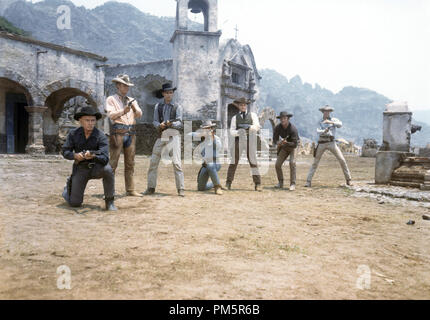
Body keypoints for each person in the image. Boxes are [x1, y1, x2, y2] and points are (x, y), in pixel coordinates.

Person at [62, 106, 117, 211]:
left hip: (96, 168)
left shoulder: (101, 136)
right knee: (74, 203)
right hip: (81, 168)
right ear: (80, 121)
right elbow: (65, 151)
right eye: (87, 120)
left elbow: (105, 158)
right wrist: (75, 156)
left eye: (93, 120)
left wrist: (94, 156)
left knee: (108, 170)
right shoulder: (73, 134)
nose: (90, 123)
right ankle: (69, 185)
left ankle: (110, 201)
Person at [143, 83, 185, 197]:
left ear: (173, 94)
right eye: (166, 92)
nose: (169, 95)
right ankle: (151, 187)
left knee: (177, 163)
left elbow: (180, 122)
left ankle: (181, 188)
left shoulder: (177, 107)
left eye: (171, 92)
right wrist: (159, 125)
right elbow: (155, 121)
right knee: (153, 162)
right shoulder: (158, 106)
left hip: (173, 136)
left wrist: (170, 123)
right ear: (163, 93)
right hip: (161, 136)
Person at [105, 74, 143, 197]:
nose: (126, 88)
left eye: (127, 85)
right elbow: (111, 115)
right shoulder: (111, 99)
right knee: (113, 162)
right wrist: (123, 111)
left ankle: (130, 190)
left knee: (130, 163)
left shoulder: (132, 100)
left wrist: (134, 109)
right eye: (124, 85)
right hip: (118, 132)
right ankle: (109, 190)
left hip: (131, 133)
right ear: (118, 85)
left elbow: (139, 114)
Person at [305, 105, 352, 187]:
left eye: (328, 111)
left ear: (330, 112)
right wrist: (324, 131)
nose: (327, 112)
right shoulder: (319, 121)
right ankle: (308, 181)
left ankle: (348, 180)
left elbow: (340, 124)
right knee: (315, 163)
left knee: (342, 160)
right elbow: (318, 131)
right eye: (325, 111)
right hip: (322, 142)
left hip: (331, 142)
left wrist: (331, 123)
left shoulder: (334, 120)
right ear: (323, 112)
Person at [226, 97, 262, 192]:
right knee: (234, 162)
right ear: (238, 106)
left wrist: (249, 127)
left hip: (250, 140)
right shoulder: (235, 118)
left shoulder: (253, 115)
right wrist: (239, 132)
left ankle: (257, 184)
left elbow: (257, 126)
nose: (243, 106)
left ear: (246, 106)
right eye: (241, 105)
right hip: (238, 140)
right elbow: (231, 131)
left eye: (244, 105)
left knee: (253, 162)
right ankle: (228, 183)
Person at [190, 120, 223, 195]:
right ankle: (213, 183)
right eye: (204, 129)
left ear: (211, 129)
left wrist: (211, 138)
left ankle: (217, 186)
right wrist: (199, 134)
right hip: (205, 165)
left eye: (208, 129)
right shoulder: (202, 138)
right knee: (201, 188)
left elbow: (218, 148)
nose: (206, 130)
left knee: (210, 165)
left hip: (215, 163)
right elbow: (188, 134)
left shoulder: (216, 139)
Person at [273, 111, 299, 191]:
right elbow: (275, 139)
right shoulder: (277, 128)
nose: (283, 120)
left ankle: (292, 184)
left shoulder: (293, 129)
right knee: (277, 164)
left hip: (293, 147)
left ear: (288, 119)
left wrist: (286, 143)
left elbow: (295, 144)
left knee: (292, 163)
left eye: (284, 118)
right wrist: (278, 143)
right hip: (284, 146)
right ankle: (280, 182)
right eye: (281, 118)